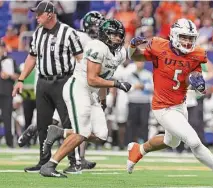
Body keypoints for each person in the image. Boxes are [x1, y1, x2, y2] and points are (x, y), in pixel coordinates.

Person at [126, 18, 213, 183]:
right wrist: (132, 47)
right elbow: (136, 57)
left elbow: (193, 79)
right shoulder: (159, 46)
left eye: (190, 38)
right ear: (174, 35)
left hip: (180, 104)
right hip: (163, 107)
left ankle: (139, 149)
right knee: (193, 141)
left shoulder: (197, 54)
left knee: (170, 142)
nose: (187, 41)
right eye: (184, 37)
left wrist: (199, 85)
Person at [39, 19, 131, 178]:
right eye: (113, 34)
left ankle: (60, 132)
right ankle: (50, 165)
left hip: (92, 93)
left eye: (119, 35)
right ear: (104, 34)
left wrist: (102, 100)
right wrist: (116, 84)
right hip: (79, 87)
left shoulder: (119, 53)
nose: (117, 38)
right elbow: (92, 79)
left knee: (101, 135)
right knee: (82, 132)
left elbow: (104, 76)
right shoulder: (97, 46)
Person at [17, 10, 105, 170]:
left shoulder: (88, 40)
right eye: (96, 26)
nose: (98, 29)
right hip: (72, 82)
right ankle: (75, 160)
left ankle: (78, 158)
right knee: (74, 123)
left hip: (79, 83)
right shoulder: (82, 38)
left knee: (73, 123)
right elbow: (79, 60)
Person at [12, 1, 82, 174]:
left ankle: (73, 162)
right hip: (43, 82)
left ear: (50, 14)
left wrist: (79, 82)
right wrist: (21, 79)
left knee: (67, 123)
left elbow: (80, 58)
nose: (36, 17)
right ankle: (43, 162)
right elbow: (31, 58)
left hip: (63, 81)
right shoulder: (38, 33)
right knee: (43, 123)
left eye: (39, 14)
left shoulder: (68, 32)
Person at [0, 40, 19, 148]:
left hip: (6, 91)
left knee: (7, 116)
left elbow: (18, 76)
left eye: (1, 48)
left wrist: (9, 75)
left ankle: (9, 142)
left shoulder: (10, 60)